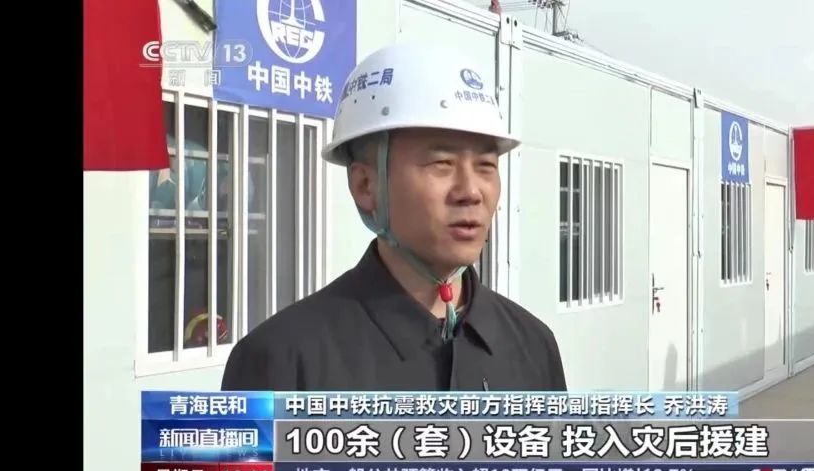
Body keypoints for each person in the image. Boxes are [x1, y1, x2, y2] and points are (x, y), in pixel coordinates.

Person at [221, 42, 568, 392]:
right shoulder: (282, 361)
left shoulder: (533, 347)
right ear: (365, 185)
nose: (471, 192)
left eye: (486, 166)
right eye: (442, 163)